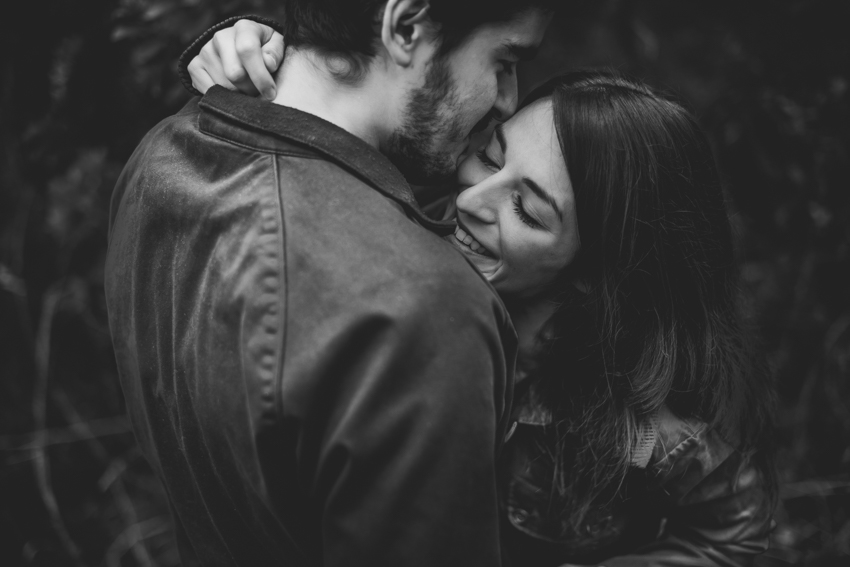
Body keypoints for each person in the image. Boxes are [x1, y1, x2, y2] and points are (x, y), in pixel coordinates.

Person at [186, 27, 778, 567]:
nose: (472, 200)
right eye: (492, 156)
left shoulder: (654, 419)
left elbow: (730, 532)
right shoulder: (406, 209)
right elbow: (327, 117)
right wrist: (242, 51)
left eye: (526, 208)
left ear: (597, 273)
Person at [104, 1, 555, 566]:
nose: (509, 98)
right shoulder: (426, 309)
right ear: (405, 26)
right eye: (505, 59)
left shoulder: (157, 160)